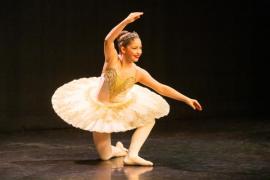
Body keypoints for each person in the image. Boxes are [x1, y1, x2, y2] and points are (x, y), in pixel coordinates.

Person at [51, 12, 202, 166]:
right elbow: (108, 40)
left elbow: (161, 88)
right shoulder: (112, 61)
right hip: (100, 109)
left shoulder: (138, 73)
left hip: (121, 104)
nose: (139, 52)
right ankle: (119, 150)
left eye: (140, 48)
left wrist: (186, 99)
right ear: (123, 49)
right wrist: (127, 20)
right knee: (105, 156)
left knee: (149, 120)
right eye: (135, 48)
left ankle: (132, 155)